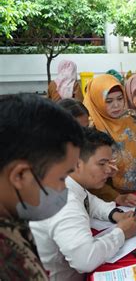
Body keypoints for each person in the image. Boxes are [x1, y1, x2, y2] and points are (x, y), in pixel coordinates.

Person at [30, 127, 136, 281]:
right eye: (102, 164)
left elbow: (89, 201)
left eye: (109, 162)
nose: (109, 169)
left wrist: (115, 215)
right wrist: (121, 233)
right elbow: (85, 260)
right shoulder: (64, 202)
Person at [0, 94, 83, 280]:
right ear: (20, 175)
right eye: (62, 177)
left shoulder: (14, 215)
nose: (65, 188)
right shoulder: (8, 264)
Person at [83, 74, 136, 203]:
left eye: (120, 98)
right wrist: (116, 197)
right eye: (109, 101)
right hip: (110, 198)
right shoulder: (92, 130)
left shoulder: (131, 117)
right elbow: (89, 174)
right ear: (97, 101)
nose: (117, 105)